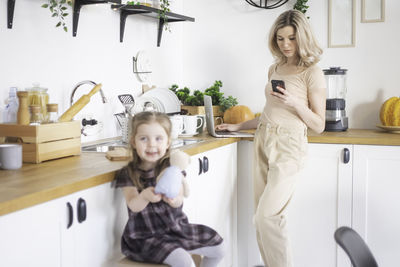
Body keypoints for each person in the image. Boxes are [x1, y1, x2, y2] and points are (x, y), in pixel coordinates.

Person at [216, 9, 326, 267]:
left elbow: (319, 125)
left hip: (289, 146)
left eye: (291, 38)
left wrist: (295, 103)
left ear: (303, 38)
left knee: (268, 217)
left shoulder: (312, 72)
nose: (286, 45)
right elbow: (269, 113)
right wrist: (239, 126)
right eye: (280, 39)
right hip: (263, 140)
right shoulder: (274, 68)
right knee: (260, 217)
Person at [114, 111, 225, 267]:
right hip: (145, 237)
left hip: (175, 229)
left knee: (219, 248)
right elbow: (133, 203)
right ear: (133, 142)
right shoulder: (129, 172)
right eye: (144, 138)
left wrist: (173, 200)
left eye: (158, 139)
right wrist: (144, 196)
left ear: (167, 143)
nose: (152, 144)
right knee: (184, 261)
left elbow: (179, 199)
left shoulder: (172, 169)